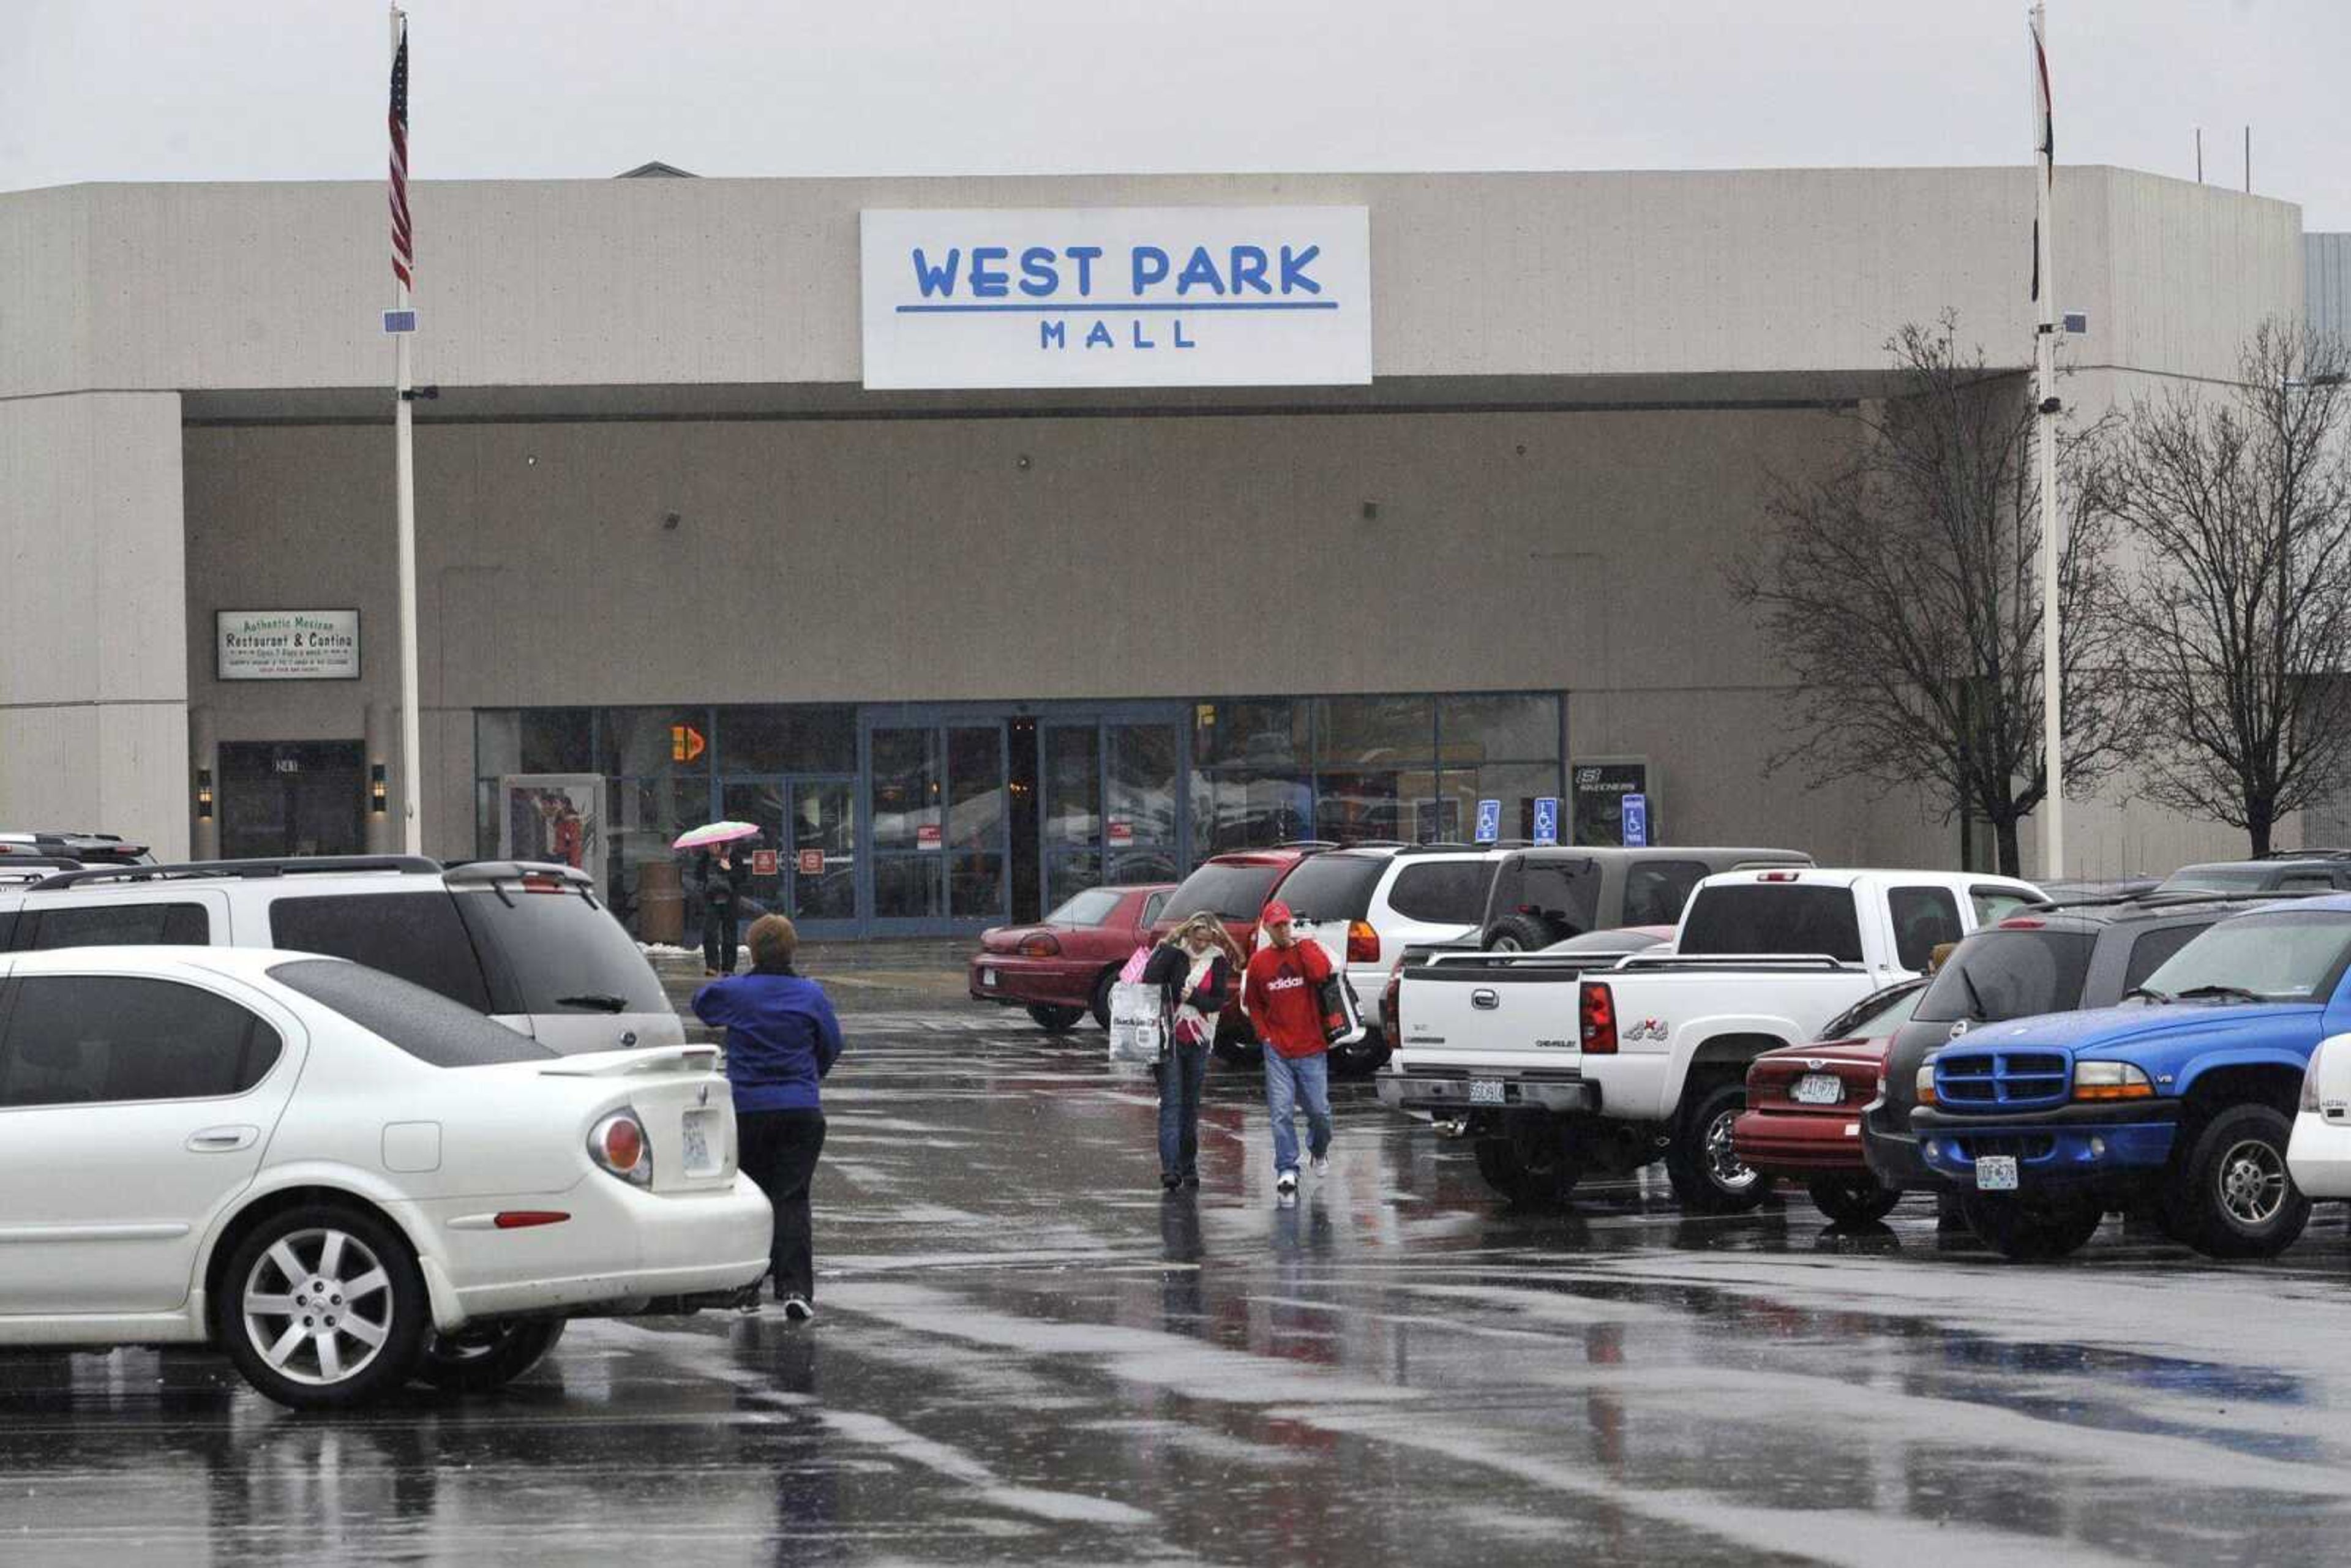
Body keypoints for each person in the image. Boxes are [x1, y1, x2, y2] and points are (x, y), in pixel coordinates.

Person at [692, 914, 842, 1321]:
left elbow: (702, 1005)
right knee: (792, 1198)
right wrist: (811, 1077)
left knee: (752, 1200)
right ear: (792, 949)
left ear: (753, 951)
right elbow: (832, 1043)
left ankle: (749, 1285)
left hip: (748, 1111)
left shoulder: (737, 993)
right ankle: (795, 1288)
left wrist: (729, 982)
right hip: (800, 1111)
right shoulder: (811, 994)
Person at [1241, 899, 1335, 1199]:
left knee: (1319, 1112)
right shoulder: (1259, 963)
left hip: (1311, 1047)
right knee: (1281, 1113)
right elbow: (1253, 1003)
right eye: (1277, 925)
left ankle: (1318, 1150)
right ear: (1267, 928)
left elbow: (1321, 974)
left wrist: (1303, 945)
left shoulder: (1306, 950)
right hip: (1278, 1050)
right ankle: (1287, 1168)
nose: (1283, 930)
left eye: (1286, 924)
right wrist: (1265, 1035)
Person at [1141, 913, 1243, 1191]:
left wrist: (1194, 998)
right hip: (1169, 1038)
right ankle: (1170, 1169)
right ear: (1189, 935)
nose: (1201, 945)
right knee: (1171, 1103)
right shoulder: (1175, 954)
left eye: (1206, 941)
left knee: (1191, 1106)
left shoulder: (1218, 960)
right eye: (1197, 939)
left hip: (1199, 1040)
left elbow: (1217, 1000)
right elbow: (1149, 981)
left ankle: (1189, 1166)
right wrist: (1168, 946)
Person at [697, 843, 745, 976]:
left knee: (729, 934)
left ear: (719, 844)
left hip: (729, 900)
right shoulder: (706, 857)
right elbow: (699, 875)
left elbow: (741, 878)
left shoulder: (733, 856)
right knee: (709, 933)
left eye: (711, 845)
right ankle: (712, 965)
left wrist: (728, 869)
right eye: (707, 845)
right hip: (711, 899)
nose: (709, 847)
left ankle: (728, 968)